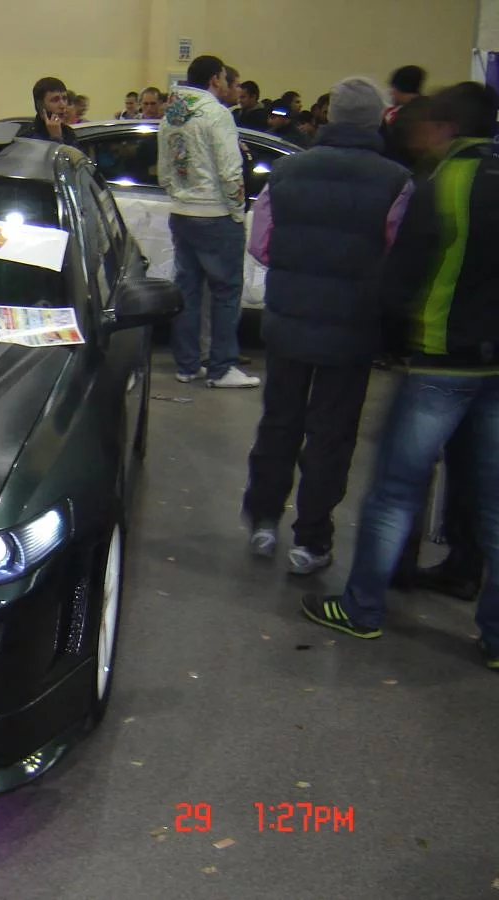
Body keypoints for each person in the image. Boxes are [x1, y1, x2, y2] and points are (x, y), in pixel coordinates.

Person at [300, 82, 499, 674]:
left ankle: (361, 608)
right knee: (494, 504)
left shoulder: (443, 184)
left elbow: (403, 275)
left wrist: (390, 344)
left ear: (447, 127)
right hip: (495, 367)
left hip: (440, 361)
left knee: (394, 492)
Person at [242, 78, 412, 575]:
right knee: (331, 434)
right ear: (376, 119)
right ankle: (311, 540)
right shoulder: (396, 181)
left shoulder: (287, 171)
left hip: (288, 320)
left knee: (279, 422)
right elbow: (399, 255)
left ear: (330, 117)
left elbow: (261, 245)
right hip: (352, 328)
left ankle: (263, 520)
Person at [158, 55, 259, 389]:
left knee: (187, 292)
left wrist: (180, 195)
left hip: (182, 212)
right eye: (227, 79)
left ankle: (187, 366)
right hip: (216, 214)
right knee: (226, 293)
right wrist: (236, 210)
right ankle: (221, 368)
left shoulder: (171, 115)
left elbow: (164, 172)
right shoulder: (217, 115)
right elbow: (230, 172)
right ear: (216, 79)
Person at [17, 77, 80, 147]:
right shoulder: (28, 137)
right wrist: (56, 138)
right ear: (40, 105)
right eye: (55, 100)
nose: (62, 106)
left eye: (64, 99)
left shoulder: (68, 132)